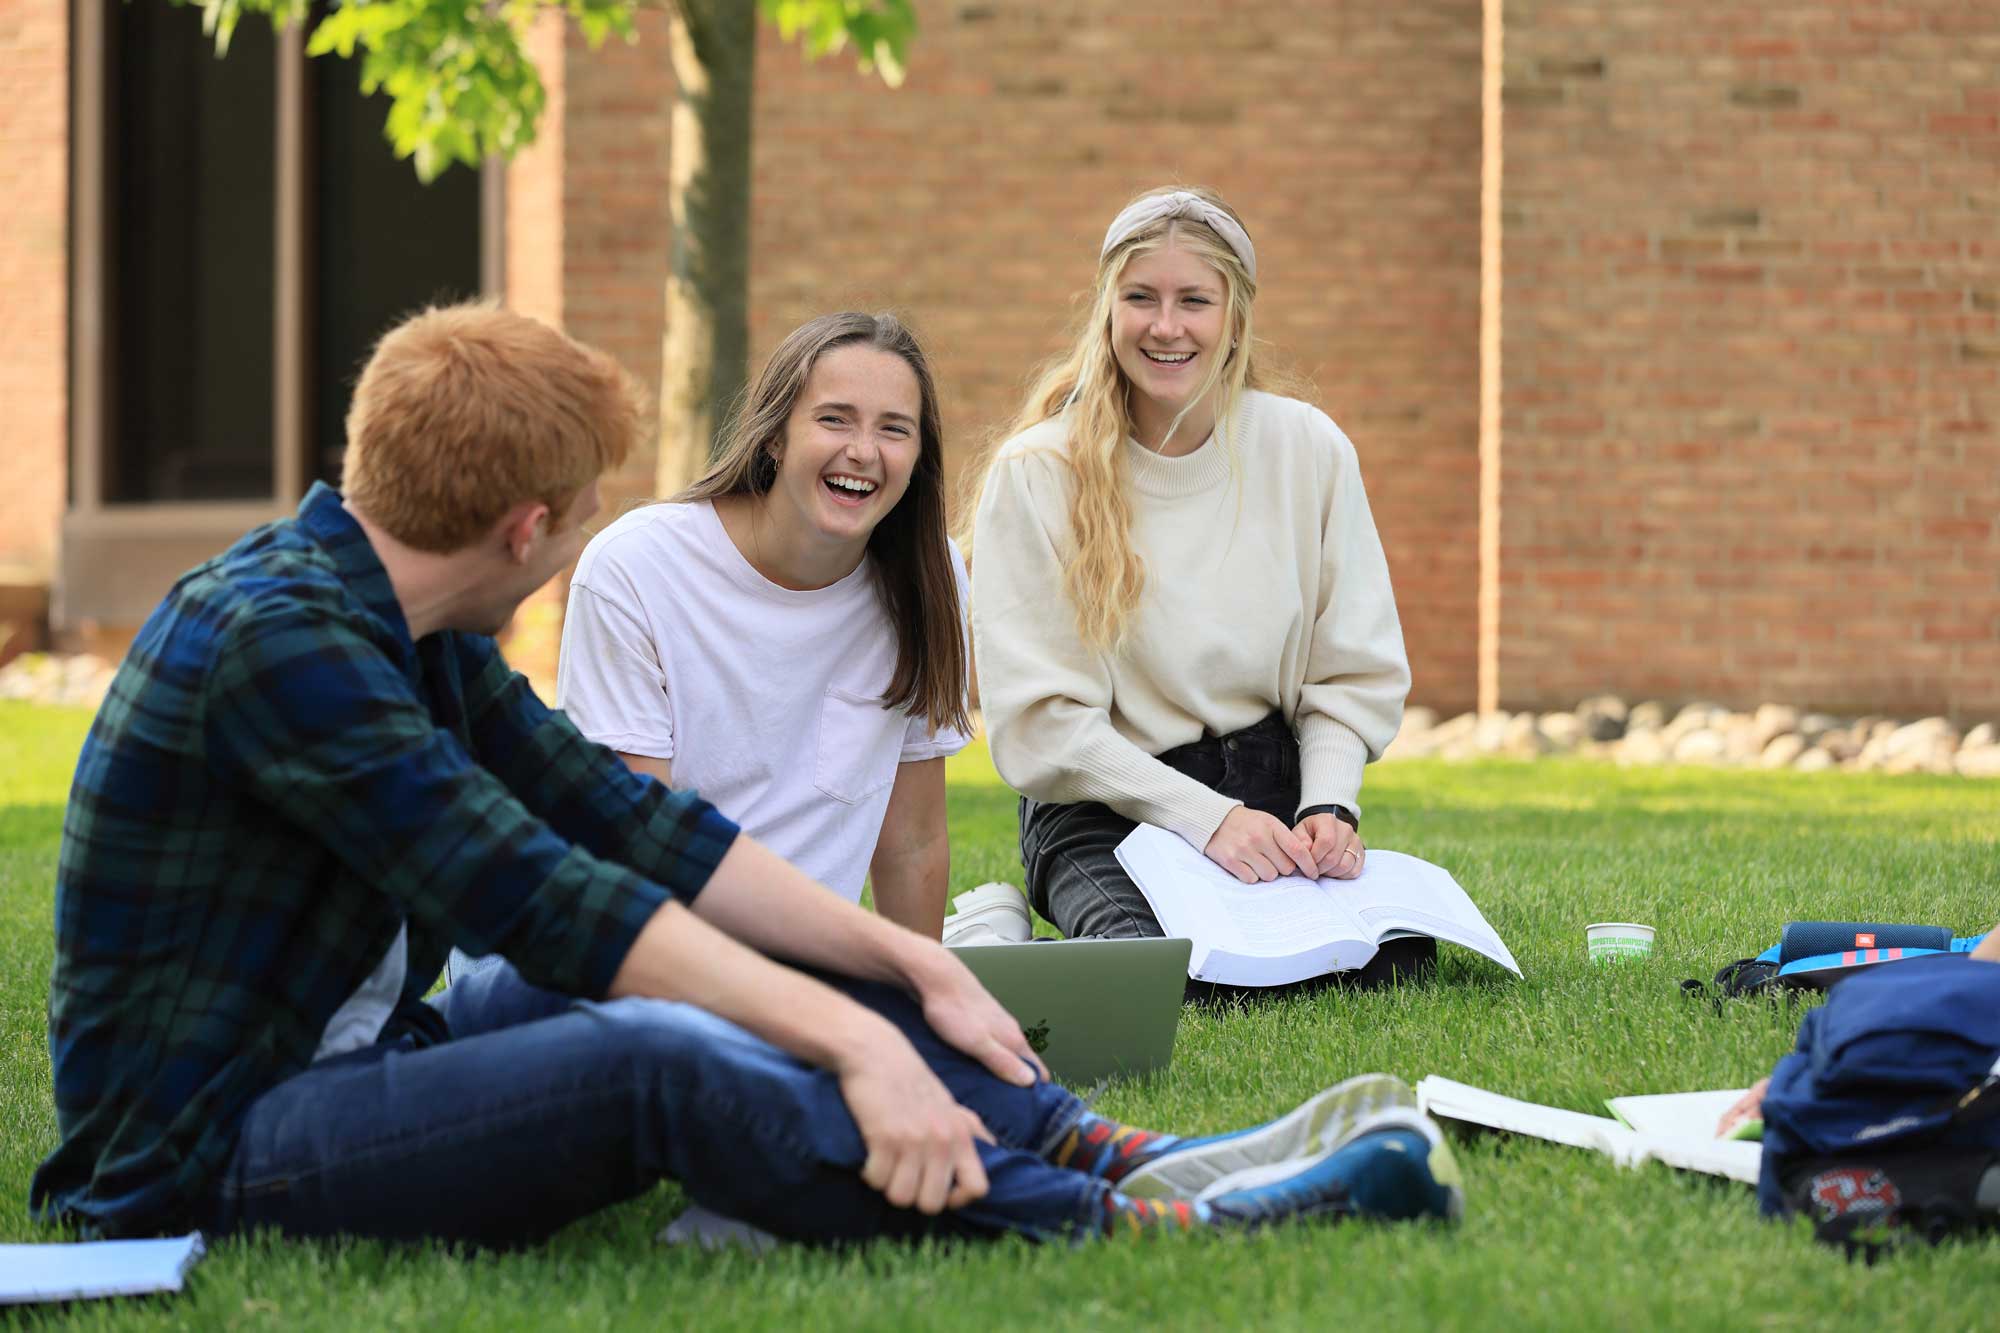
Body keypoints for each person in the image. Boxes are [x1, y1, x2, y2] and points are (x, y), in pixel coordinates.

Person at [32, 302, 1463, 1249]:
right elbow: (541, 893)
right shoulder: (278, 648)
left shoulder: (396, 617)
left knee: (834, 969)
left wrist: (912, 976)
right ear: (527, 528)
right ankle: (1144, 1228)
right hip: (205, 1154)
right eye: (582, 515)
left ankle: (1112, 1145)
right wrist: (844, 1044)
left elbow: (628, 823)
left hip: (369, 1053)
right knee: (646, 1053)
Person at [967, 187, 1417, 973]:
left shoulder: (1306, 449)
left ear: (1235, 317)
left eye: (1194, 301)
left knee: (1391, 959)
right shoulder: (1038, 471)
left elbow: (1349, 668)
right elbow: (1042, 723)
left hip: (1271, 786)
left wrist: (1329, 805)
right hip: (1106, 805)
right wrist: (1206, 820)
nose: (1166, 326)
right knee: (1157, 970)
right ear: (1108, 310)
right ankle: (992, 932)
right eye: (1140, 297)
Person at [555, 312, 969, 938]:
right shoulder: (635, 570)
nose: (863, 451)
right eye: (834, 419)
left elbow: (911, 843)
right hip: (627, 946)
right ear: (774, 435)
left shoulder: (928, 580)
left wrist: (922, 1002)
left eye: (894, 429)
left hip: (799, 966)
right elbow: (639, 850)